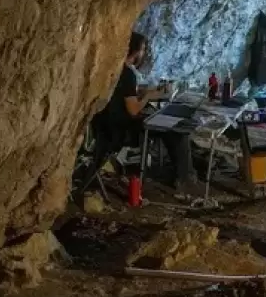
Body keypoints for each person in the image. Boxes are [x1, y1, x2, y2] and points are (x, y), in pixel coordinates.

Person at [82, 32, 196, 194]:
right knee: (177, 131)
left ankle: (181, 174)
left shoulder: (113, 69)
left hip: (105, 126)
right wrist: (149, 96)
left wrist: (144, 93)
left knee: (168, 126)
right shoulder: (127, 74)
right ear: (135, 51)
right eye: (142, 49)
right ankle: (185, 180)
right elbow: (134, 110)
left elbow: (126, 95)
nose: (143, 53)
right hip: (122, 129)